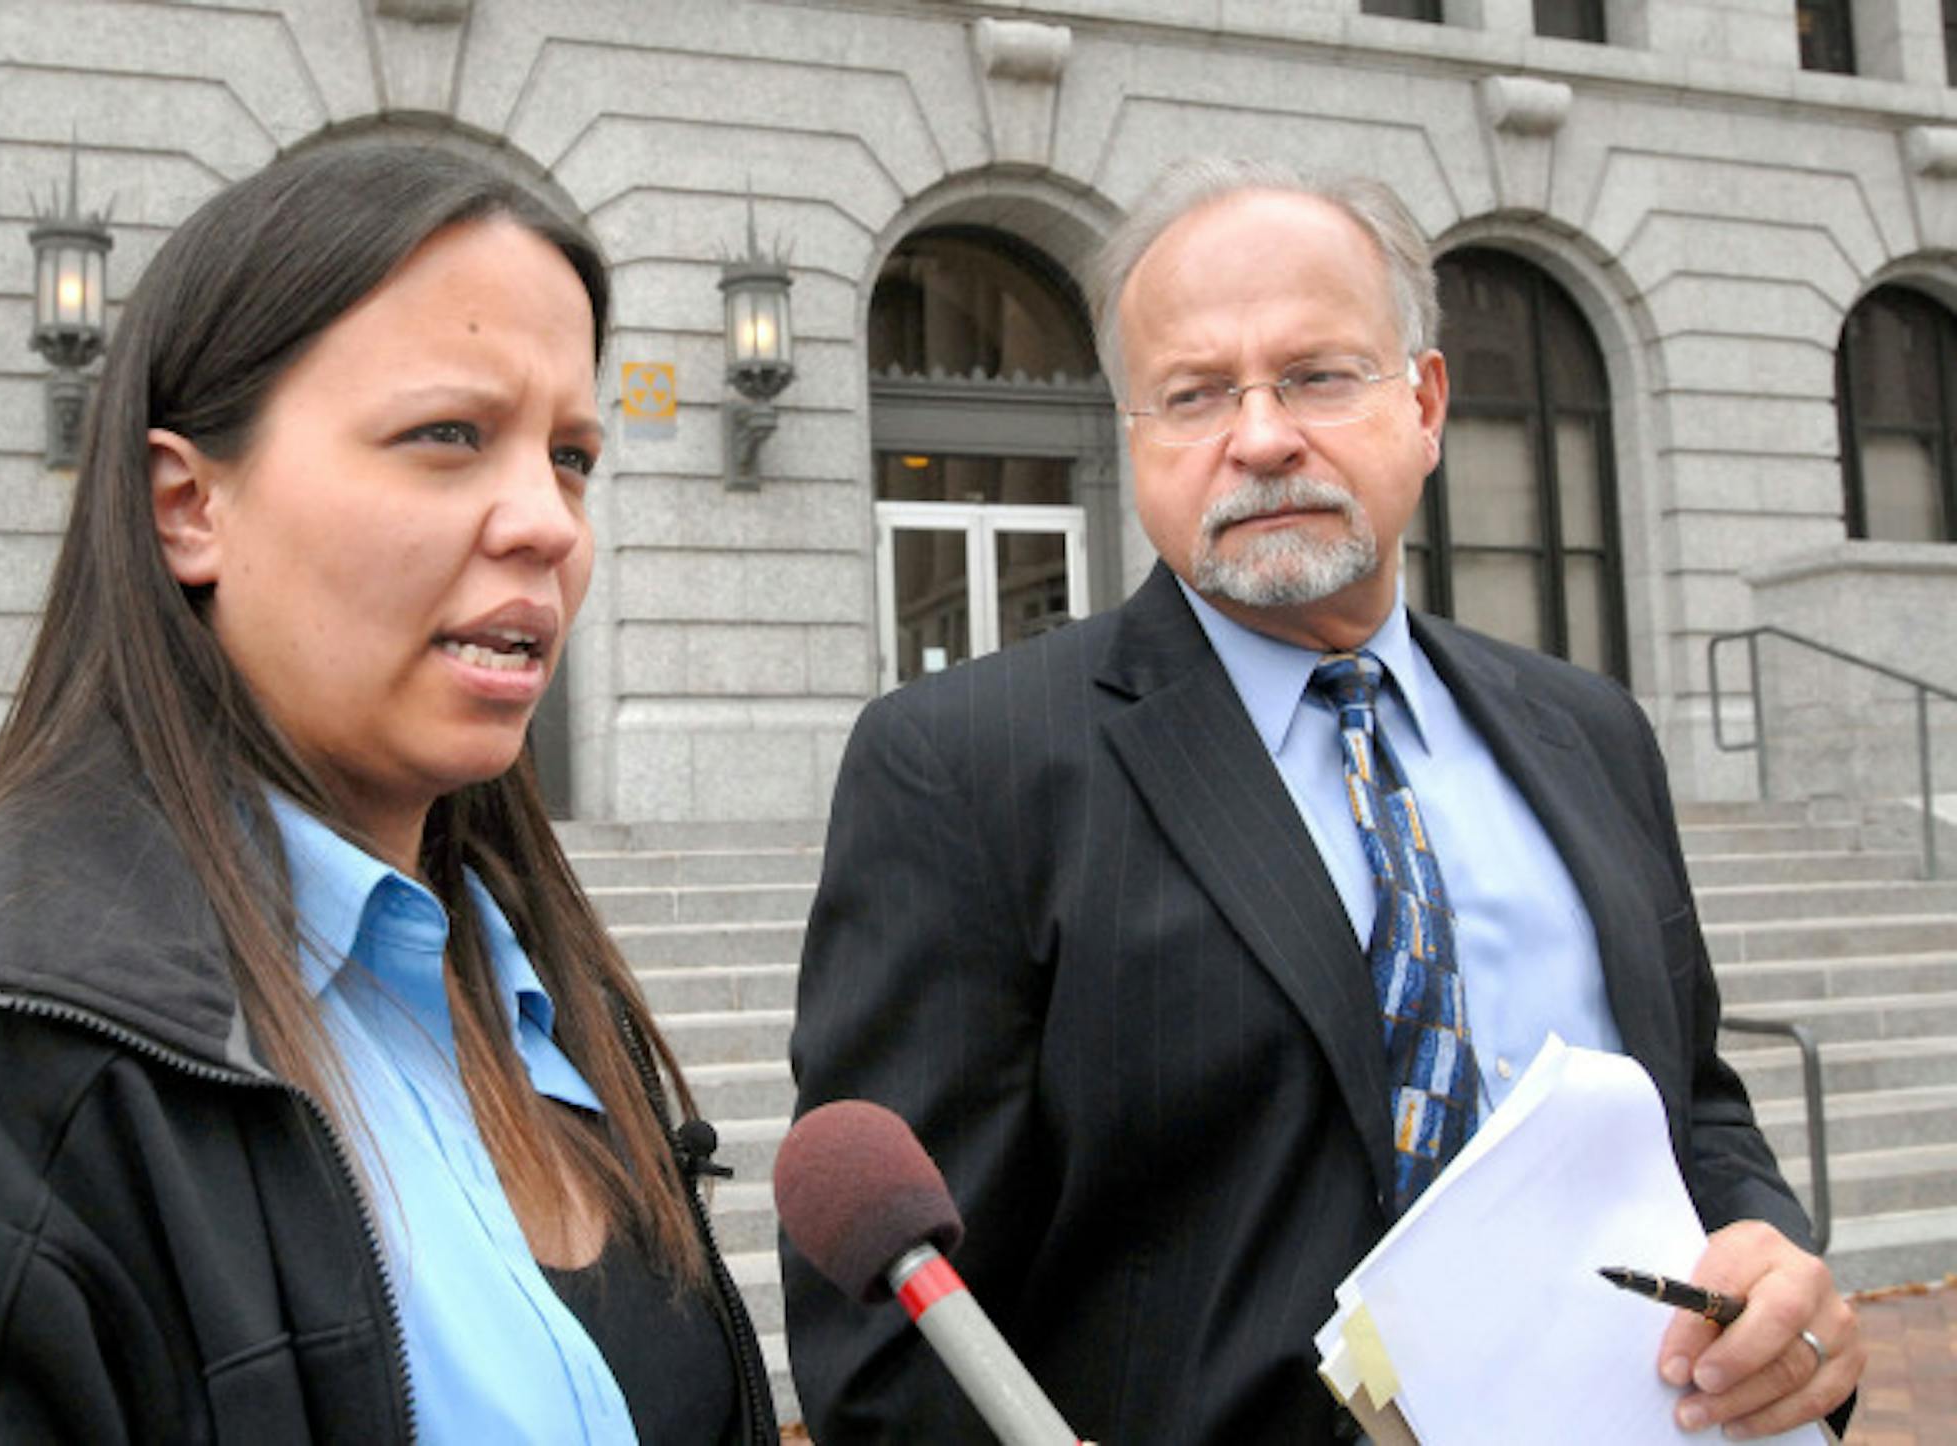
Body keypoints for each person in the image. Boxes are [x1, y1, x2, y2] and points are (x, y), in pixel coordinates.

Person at [783, 156, 1863, 1442]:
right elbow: (900, 1323)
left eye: (1315, 375)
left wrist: (1772, 1258)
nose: (1259, 435)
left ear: (1426, 402)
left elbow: (1692, 1105)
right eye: (1192, 394)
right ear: (1136, 441)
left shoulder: (1590, 735)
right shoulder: (965, 767)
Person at [0, 144, 774, 1444]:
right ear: (190, 504)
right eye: (447, 436)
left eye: (574, 455)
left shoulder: (532, 978)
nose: (548, 521)